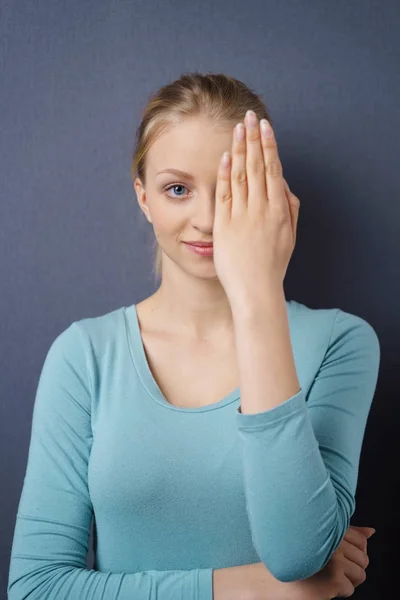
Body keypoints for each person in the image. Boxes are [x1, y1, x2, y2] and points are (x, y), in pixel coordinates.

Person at [8, 72, 380, 599]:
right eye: (177, 189)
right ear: (143, 198)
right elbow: (36, 589)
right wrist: (254, 589)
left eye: (232, 190)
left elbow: (297, 551)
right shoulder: (84, 356)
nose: (206, 219)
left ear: (270, 195)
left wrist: (256, 296)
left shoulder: (341, 343)